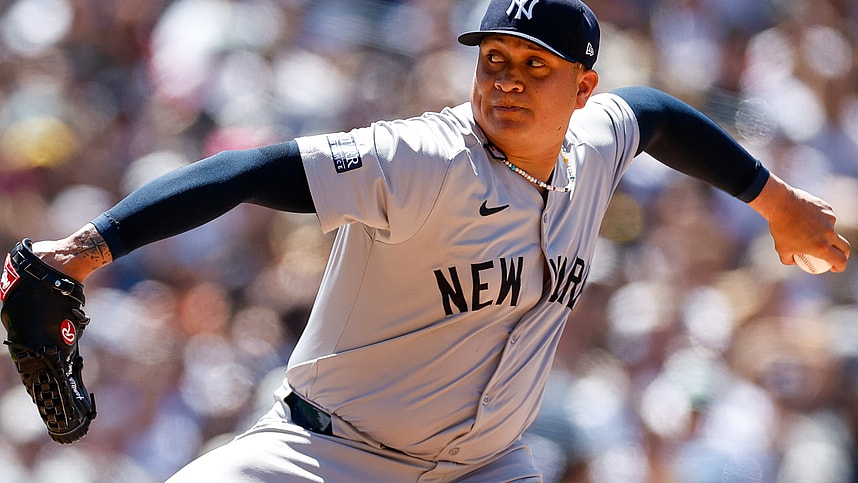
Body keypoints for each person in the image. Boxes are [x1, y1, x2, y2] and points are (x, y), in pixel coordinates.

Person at [20, 0, 851, 481]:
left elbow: (662, 116)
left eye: (535, 65)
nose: (506, 81)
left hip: (484, 468)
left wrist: (775, 203)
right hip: (327, 455)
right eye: (494, 59)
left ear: (583, 87)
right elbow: (250, 169)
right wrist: (85, 250)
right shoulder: (422, 156)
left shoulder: (598, 140)